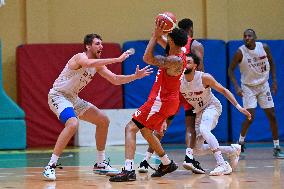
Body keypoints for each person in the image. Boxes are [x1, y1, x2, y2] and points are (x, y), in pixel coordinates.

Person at [42, 33, 153, 181]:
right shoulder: (79, 57)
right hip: (58, 96)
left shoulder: (98, 65)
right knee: (73, 123)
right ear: (88, 46)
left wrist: (135, 76)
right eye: (97, 43)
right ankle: (50, 165)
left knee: (103, 120)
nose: (101, 46)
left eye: (102, 43)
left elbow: (115, 79)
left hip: (73, 99)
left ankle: (100, 163)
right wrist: (118, 59)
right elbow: (87, 64)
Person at [109, 20, 188, 182]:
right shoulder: (181, 51)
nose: (166, 38)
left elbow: (147, 57)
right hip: (167, 101)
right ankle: (166, 163)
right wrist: (158, 34)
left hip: (160, 101)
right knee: (145, 131)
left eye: (168, 37)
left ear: (172, 41)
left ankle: (128, 170)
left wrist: (154, 37)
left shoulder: (174, 60)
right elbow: (164, 41)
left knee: (130, 128)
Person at [138, 18, 205, 174]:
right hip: (188, 87)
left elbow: (159, 40)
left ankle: (146, 160)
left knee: (160, 125)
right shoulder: (195, 45)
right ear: (191, 30)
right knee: (190, 124)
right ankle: (188, 157)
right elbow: (200, 68)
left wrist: (157, 32)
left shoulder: (174, 45)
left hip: (173, 89)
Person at [180, 53, 251, 175]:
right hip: (199, 111)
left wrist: (239, 107)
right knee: (196, 149)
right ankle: (232, 150)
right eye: (184, 62)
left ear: (195, 66)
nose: (185, 64)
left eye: (189, 62)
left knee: (204, 129)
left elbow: (224, 90)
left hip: (212, 106)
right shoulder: (179, 81)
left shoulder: (204, 77)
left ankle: (222, 164)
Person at [228, 29, 284, 158]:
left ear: (255, 38)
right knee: (250, 117)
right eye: (245, 36)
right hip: (248, 87)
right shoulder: (240, 52)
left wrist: (274, 80)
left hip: (264, 85)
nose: (247, 38)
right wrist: (237, 87)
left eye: (249, 36)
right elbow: (230, 70)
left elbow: (272, 63)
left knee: (272, 115)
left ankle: (276, 147)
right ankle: (240, 143)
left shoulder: (264, 47)